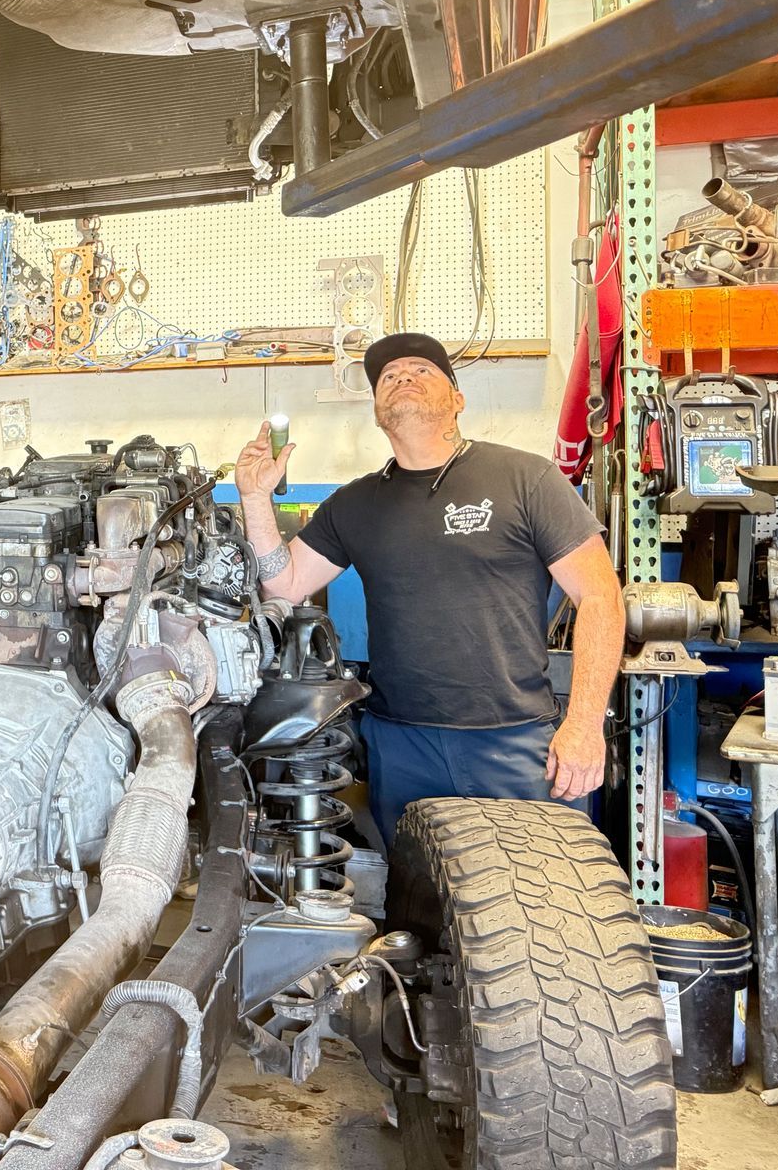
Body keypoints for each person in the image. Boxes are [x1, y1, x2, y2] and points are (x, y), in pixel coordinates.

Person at [233, 331, 624, 846]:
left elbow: (600, 598)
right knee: (417, 906)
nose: (402, 378)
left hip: (513, 741)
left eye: (422, 370)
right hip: (400, 745)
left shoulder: (526, 478)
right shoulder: (355, 504)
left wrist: (583, 725)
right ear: (377, 411)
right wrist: (255, 498)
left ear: (457, 400)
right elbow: (283, 584)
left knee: (534, 909)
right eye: (389, 377)